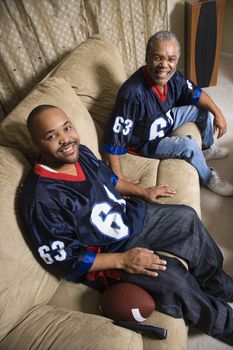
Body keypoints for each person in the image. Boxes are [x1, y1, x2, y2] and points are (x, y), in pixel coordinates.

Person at [20, 105, 233, 346]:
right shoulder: (40, 199)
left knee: (186, 217)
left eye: (66, 128)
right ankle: (226, 324)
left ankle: (219, 285)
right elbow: (66, 261)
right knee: (173, 279)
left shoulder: (82, 153)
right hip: (108, 252)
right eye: (51, 136)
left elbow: (111, 181)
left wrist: (143, 192)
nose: (65, 139)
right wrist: (123, 260)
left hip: (126, 218)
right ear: (37, 144)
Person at [101, 30, 233, 197]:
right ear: (147, 57)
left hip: (165, 120)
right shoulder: (132, 94)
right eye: (158, 58)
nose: (164, 65)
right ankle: (208, 178)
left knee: (202, 110)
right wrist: (119, 178)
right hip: (146, 141)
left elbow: (198, 94)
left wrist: (218, 114)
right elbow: (114, 139)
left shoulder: (174, 77)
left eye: (171, 59)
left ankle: (207, 148)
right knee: (188, 145)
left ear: (176, 61)